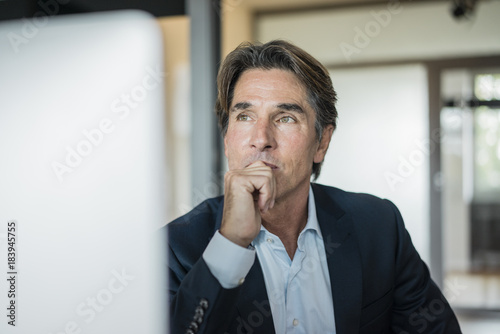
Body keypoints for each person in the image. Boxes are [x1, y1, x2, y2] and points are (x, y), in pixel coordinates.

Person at [167, 40, 461, 334]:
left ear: (322, 142)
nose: (261, 138)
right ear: (227, 140)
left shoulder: (379, 226)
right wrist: (231, 243)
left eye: (285, 118)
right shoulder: (175, 248)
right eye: (244, 116)